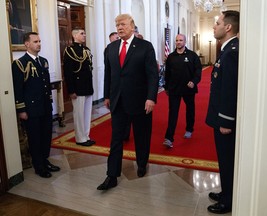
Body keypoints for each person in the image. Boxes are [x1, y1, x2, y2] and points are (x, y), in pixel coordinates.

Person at [97, 14, 159, 190]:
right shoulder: (110, 48)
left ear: (132, 26)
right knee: (116, 139)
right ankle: (112, 175)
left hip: (141, 101)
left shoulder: (145, 47)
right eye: (117, 25)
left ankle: (141, 163)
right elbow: (108, 75)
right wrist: (107, 96)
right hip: (118, 102)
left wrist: (151, 97)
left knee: (141, 136)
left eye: (123, 24)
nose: (119, 27)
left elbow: (152, 75)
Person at [11, 32, 60, 178]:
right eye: (35, 41)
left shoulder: (43, 61)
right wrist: (21, 110)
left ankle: (45, 160)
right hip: (31, 109)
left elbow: (46, 85)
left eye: (39, 41)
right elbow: (18, 89)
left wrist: (50, 103)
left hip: (45, 107)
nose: (39, 44)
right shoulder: (20, 63)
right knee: (35, 138)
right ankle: (39, 166)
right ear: (27, 44)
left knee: (46, 136)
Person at [205, 10, 240, 214]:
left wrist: (226, 121)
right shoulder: (227, 49)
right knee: (223, 158)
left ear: (227, 27)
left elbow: (230, 89)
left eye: (217, 23)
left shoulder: (232, 51)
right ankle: (226, 191)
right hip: (220, 116)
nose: (214, 26)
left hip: (225, 119)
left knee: (227, 159)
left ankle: (228, 200)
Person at [163, 34, 202, 148]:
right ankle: (169, 138)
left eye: (181, 40)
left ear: (185, 41)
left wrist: (194, 81)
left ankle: (189, 129)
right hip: (174, 89)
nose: (178, 42)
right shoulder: (171, 57)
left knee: (190, 110)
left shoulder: (192, 55)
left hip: (188, 89)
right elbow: (167, 74)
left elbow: (198, 70)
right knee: (173, 113)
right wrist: (166, 87)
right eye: (177, 40)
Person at [63, 27, 95, 147]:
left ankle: (86, 135)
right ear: (75, 36)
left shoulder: (86, 50)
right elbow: (68, 72)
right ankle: (80, 138)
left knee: (87, 113)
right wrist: (71, 90)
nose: (84, 35)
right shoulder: (69, 50)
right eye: (82, 34)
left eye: (85, 33)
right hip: (77, 88)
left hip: (87, 86)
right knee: (79, 114)